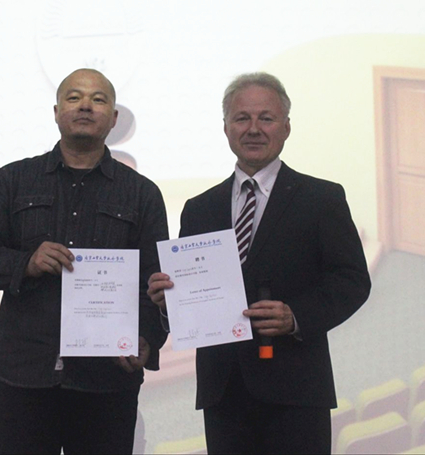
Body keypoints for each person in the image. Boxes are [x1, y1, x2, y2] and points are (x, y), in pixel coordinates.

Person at [148, 72, 371, 454]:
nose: (253, 129)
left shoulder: (322, 198)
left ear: (286, 127)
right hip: (224, 391)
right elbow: (190, 293)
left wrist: (296, 316)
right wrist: (169, 303)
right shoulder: (200, 208)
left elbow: (352, 281)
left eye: (266, 118)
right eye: (242, 118)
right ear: (226, 128)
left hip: (297, 389)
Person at [0, 68, 169, 455]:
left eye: (98, 99)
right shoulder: (13, 180)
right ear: (56, 112)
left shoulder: (142, 194)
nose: (85, 105)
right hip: (25, 376)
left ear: (113, 118)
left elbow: (154, 282)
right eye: (74, 97)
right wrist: (26, 263)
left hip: (106, 380)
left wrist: (147, 338)